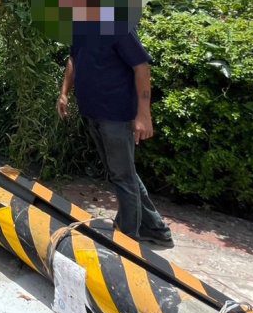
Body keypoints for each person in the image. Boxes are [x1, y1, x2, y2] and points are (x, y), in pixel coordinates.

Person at [57, 30, 174, 246]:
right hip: (93, 111)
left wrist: (144, 114)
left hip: (116, 115)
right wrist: (64, 93)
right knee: (121, 172)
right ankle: (156, 229)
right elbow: (74, 58)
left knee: (122, 176)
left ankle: (126, 240)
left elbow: (141, 67)